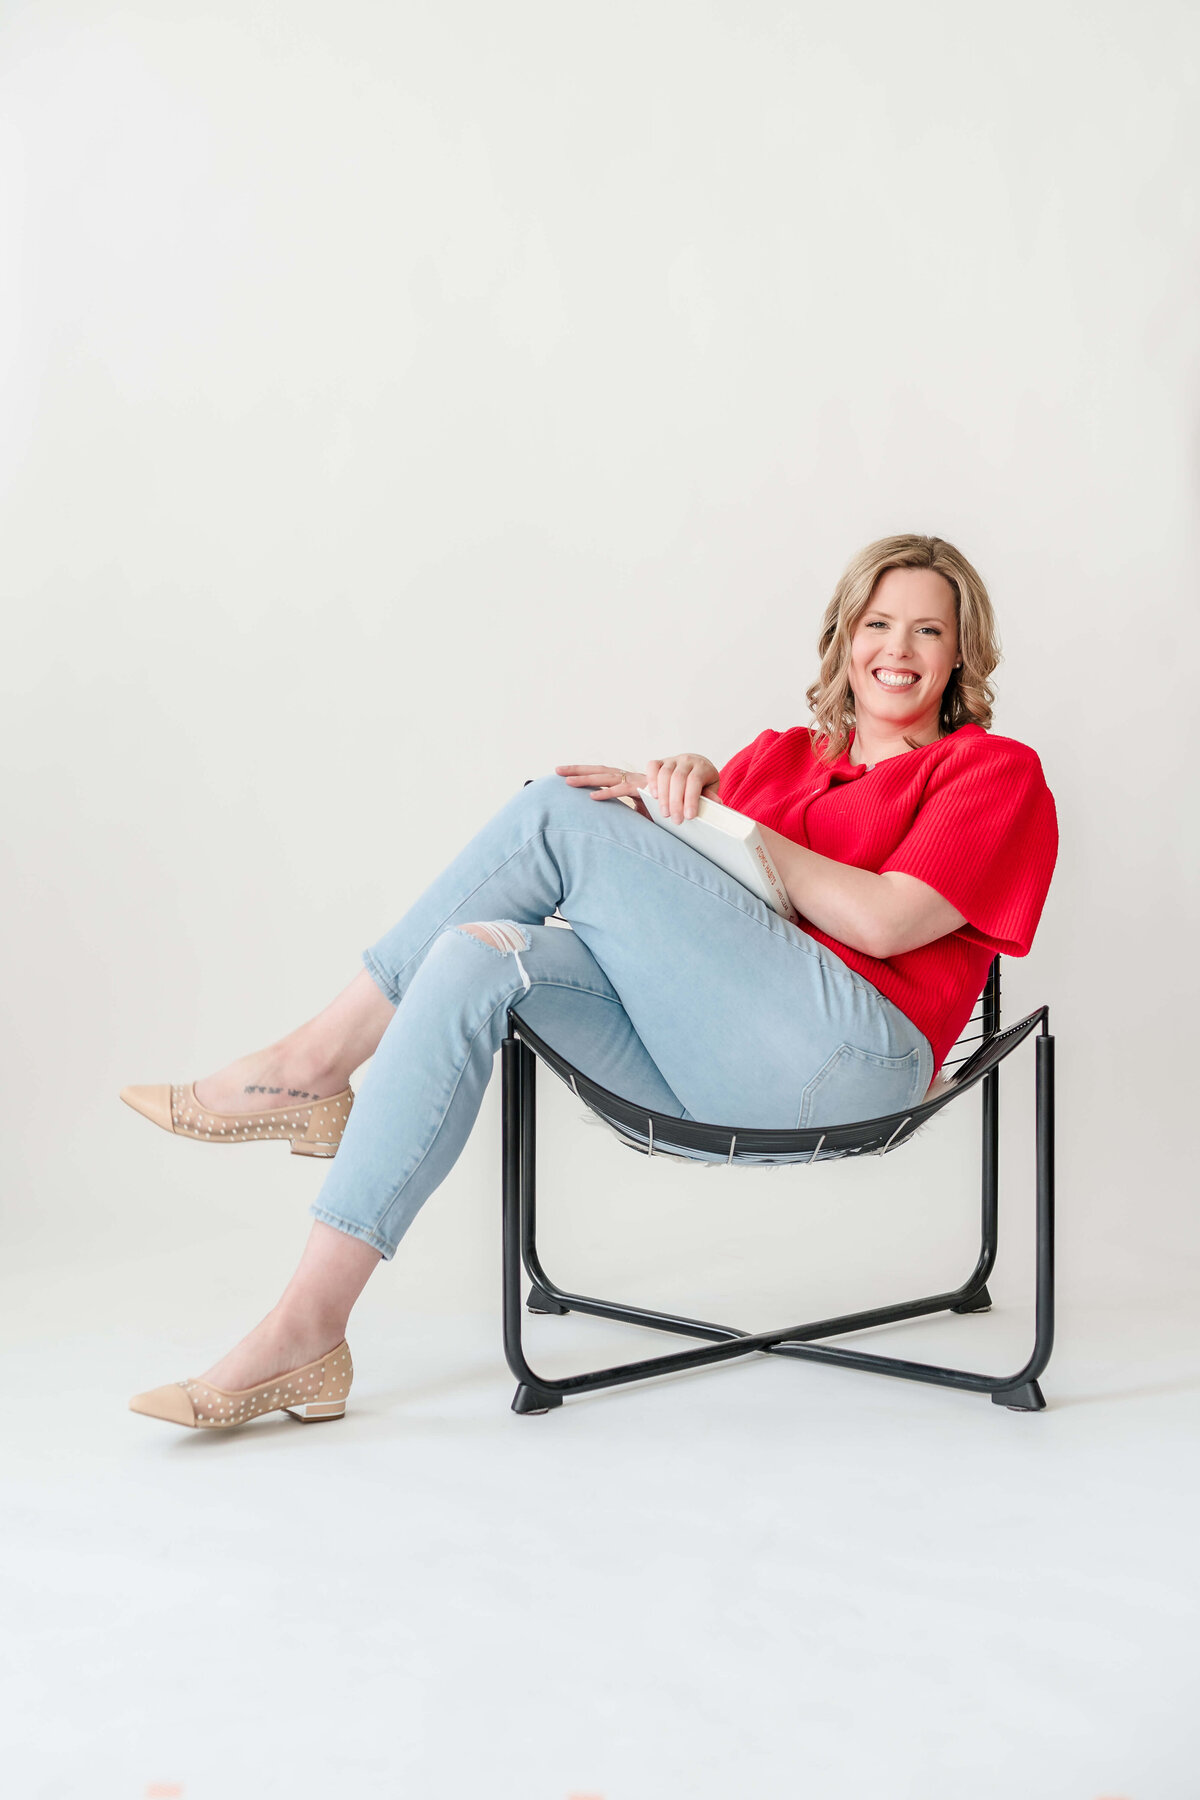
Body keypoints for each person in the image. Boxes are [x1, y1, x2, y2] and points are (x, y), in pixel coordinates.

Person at [124, 533, 1058, 1431]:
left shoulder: (991, 771)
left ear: (962, 652)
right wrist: (697, 799)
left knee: (559, 811)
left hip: (855, 1059)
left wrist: (729, 829)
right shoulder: (778, 757)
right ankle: (308, 1329)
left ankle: (314, 1063)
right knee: (474, 955)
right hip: (711, 1061)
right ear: (844, 636)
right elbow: (710, 921)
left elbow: (889, 921)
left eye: (928, 630)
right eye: (878, 624)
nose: (897, 650)